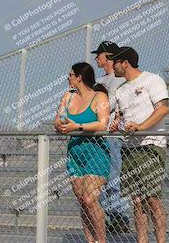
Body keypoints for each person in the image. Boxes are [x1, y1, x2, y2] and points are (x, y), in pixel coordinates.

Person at [109, 46, 169, 243]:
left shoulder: (152, 79)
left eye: (115, 62)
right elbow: (120, 118)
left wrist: (141, 127)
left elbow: (163, 109)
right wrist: (115, 125)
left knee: (152, 199)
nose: (112, 66)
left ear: (125, 63)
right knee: (137, 201)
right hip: (129, 148)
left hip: (151, 145)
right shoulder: (120, 90)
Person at [54, 62, 110, 243]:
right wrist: (61, 125)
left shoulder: (99, 97)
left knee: (89, 199)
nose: (68, 78)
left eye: (70, 75)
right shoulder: (67, 97)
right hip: (75, 152)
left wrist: (77, 126)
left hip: (95, 150)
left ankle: (101, 240)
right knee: (82, 201)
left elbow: (102, 124)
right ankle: (89, 240)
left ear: (79, 77)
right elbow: (58, 120)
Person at [91, 41, 130, 232]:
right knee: (102, 179)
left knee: (113, 177)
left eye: (98, 55)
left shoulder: (120, 79)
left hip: (114, 136)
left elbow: (118, 105)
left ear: (107, 55)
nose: (96, 58)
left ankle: (120, 217)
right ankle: (112, 217)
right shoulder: (100, 81)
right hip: (99, 136)